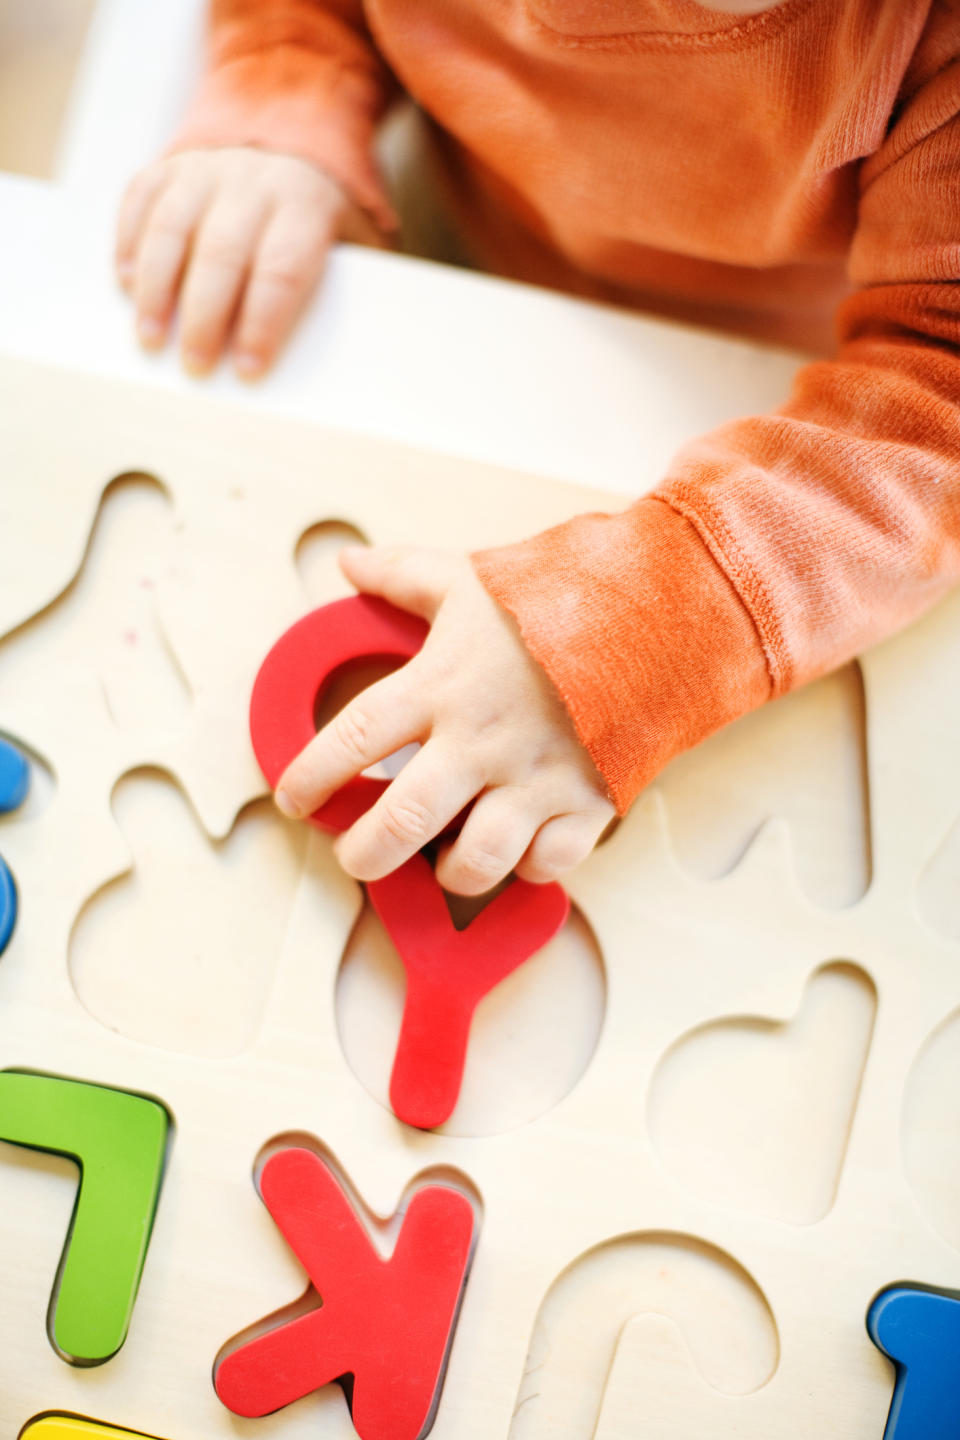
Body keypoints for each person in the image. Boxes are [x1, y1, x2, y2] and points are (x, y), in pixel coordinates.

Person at [116, 0, 960, 897]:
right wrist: (288, 82)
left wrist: (633, 636)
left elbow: (937, 395)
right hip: (436, 228)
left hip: (768, 417)